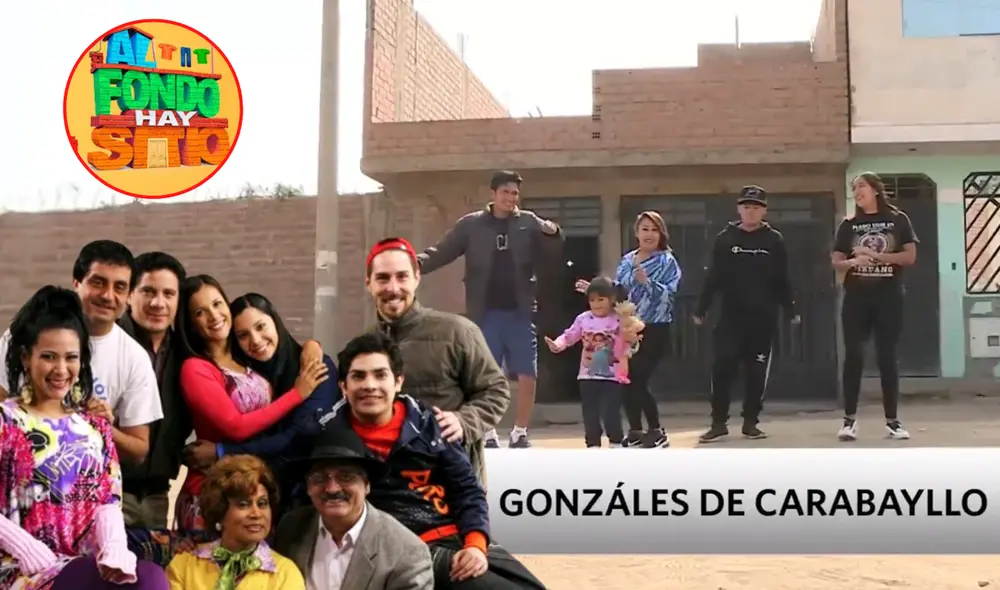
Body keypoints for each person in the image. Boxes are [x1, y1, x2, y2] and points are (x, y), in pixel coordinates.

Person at [320, 331, 547, 589]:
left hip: (456, 538)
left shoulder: (430, 424)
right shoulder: (327, 436)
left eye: (380, 375)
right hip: (399, 552)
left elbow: (467, 490)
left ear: (398, 382)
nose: (370, 385)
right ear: (343, 387)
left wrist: (475, 545)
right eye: (358, 376)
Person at [0, 285, 167, 590]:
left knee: (152, 578)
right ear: (26, 357)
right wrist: (25, 548)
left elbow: (108, 501)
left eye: (71, 357)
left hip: (86, 565)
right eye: (48, 357)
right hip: (22, 569)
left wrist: (115, 550)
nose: (61, 369)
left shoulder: (95, 428)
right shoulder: (5, 420)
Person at [416, 170, 564, 449]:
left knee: (527, 372)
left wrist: (554, 232)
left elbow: (553, 249)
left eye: (515, 193)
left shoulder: (528, 222)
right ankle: (488, 433)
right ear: (493, 194)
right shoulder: (471, 225)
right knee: (485, 374)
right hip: (485, 313)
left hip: (520, 311)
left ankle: (520, 432)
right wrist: (415, 263)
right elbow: (443, 251)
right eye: (506, 192)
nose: (511, 198)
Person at [175, 275, 328, 533]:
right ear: (190, 323)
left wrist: (312, 346)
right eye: (200, 312)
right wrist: (297, 394)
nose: (213, 316)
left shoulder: (244, 355)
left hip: (255, 488)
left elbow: (280, 348)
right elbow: (236, 427)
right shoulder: (195, 368)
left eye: (217, 304)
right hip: (214, 490)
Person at [0, 240, 162, 465]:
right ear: (77, 282)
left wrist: (102, 426)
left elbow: (138, 451)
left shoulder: (134, 358)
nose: (107, 295)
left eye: (119, 287)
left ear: (128, 296)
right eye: (98, 282)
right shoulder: (25, 334)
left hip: (88, 474)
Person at [365, 238, 509, 484]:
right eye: (383, 278)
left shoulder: (458, 332)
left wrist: (464, 421)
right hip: (386, 488)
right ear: (369, 283)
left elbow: (495, 391)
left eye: (402, 277)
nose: (393, 288)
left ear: (416, 278)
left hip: (452, 486)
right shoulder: (364, 345)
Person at [693, 186, 800, 443]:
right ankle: (718, 423)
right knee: (723, 369)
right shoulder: (725, 238)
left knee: (756, 373)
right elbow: (713, 277)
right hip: (730, 318)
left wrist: (791, 309)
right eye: (746, 207)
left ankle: (751, 422)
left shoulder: (774, 240)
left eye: (756, 207)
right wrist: (701, 308)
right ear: (739, 209)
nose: (751, 211)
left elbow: (782, 279)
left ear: (764, 211)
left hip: (763, 319)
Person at [273, 427, 434, 590]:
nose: (332, 488)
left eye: (346, 477)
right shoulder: (291, 527)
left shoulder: (407, 552)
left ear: (366, 485)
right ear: (308, 487)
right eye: (320, 478)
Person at [575, 211, 682, 448]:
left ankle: (656, 430)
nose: (649, 234)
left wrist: (648, 283)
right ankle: (635, 430)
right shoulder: (627, 260)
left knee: (639, 378)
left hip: (654, 326)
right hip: (625, 328)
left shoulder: (667, 261)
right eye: (645, 229)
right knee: (625, 378)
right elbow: (618, 290)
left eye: (654, 230)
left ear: (661, 234)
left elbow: (671, 293)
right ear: (637, 233)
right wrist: (594, 289)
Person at [832, 172, 918, 441]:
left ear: (875, 190)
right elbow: (836, 260)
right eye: (854, 188)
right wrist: (852, 262)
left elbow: (909, 257)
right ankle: (849, 421)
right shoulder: (849, 225)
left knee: (887, 357)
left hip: (888, 297)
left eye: (862, 186)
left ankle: (893, 422)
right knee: (854, 356)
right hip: (856, 298)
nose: (857, 192)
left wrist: (875, 255)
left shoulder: (898, 219)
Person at [117, 251, 191, 529]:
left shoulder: (186, 350)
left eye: (168, 294)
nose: (158, 303)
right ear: (129, 295)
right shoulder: (110, 342)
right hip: (110, 490)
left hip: (159, 494)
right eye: (148, 291)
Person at [165, 455, 305, 590]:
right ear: (219, 511)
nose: (256, 514)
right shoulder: (185, 564)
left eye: (262, 503)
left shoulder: (286, 574)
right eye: (244, 504)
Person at [545, 277, 642, 448]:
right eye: (592, 300)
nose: (596, 304)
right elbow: (569, 336)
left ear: (611, 299)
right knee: (590, 413)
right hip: (587, 375)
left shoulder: (619, 319)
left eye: (601, 299)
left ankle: (616, 441)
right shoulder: (583, 319)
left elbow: (630, 342)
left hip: (613, 376)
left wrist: (631, 339)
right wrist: (558, 345)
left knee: (611, 412)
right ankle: (592, 444)